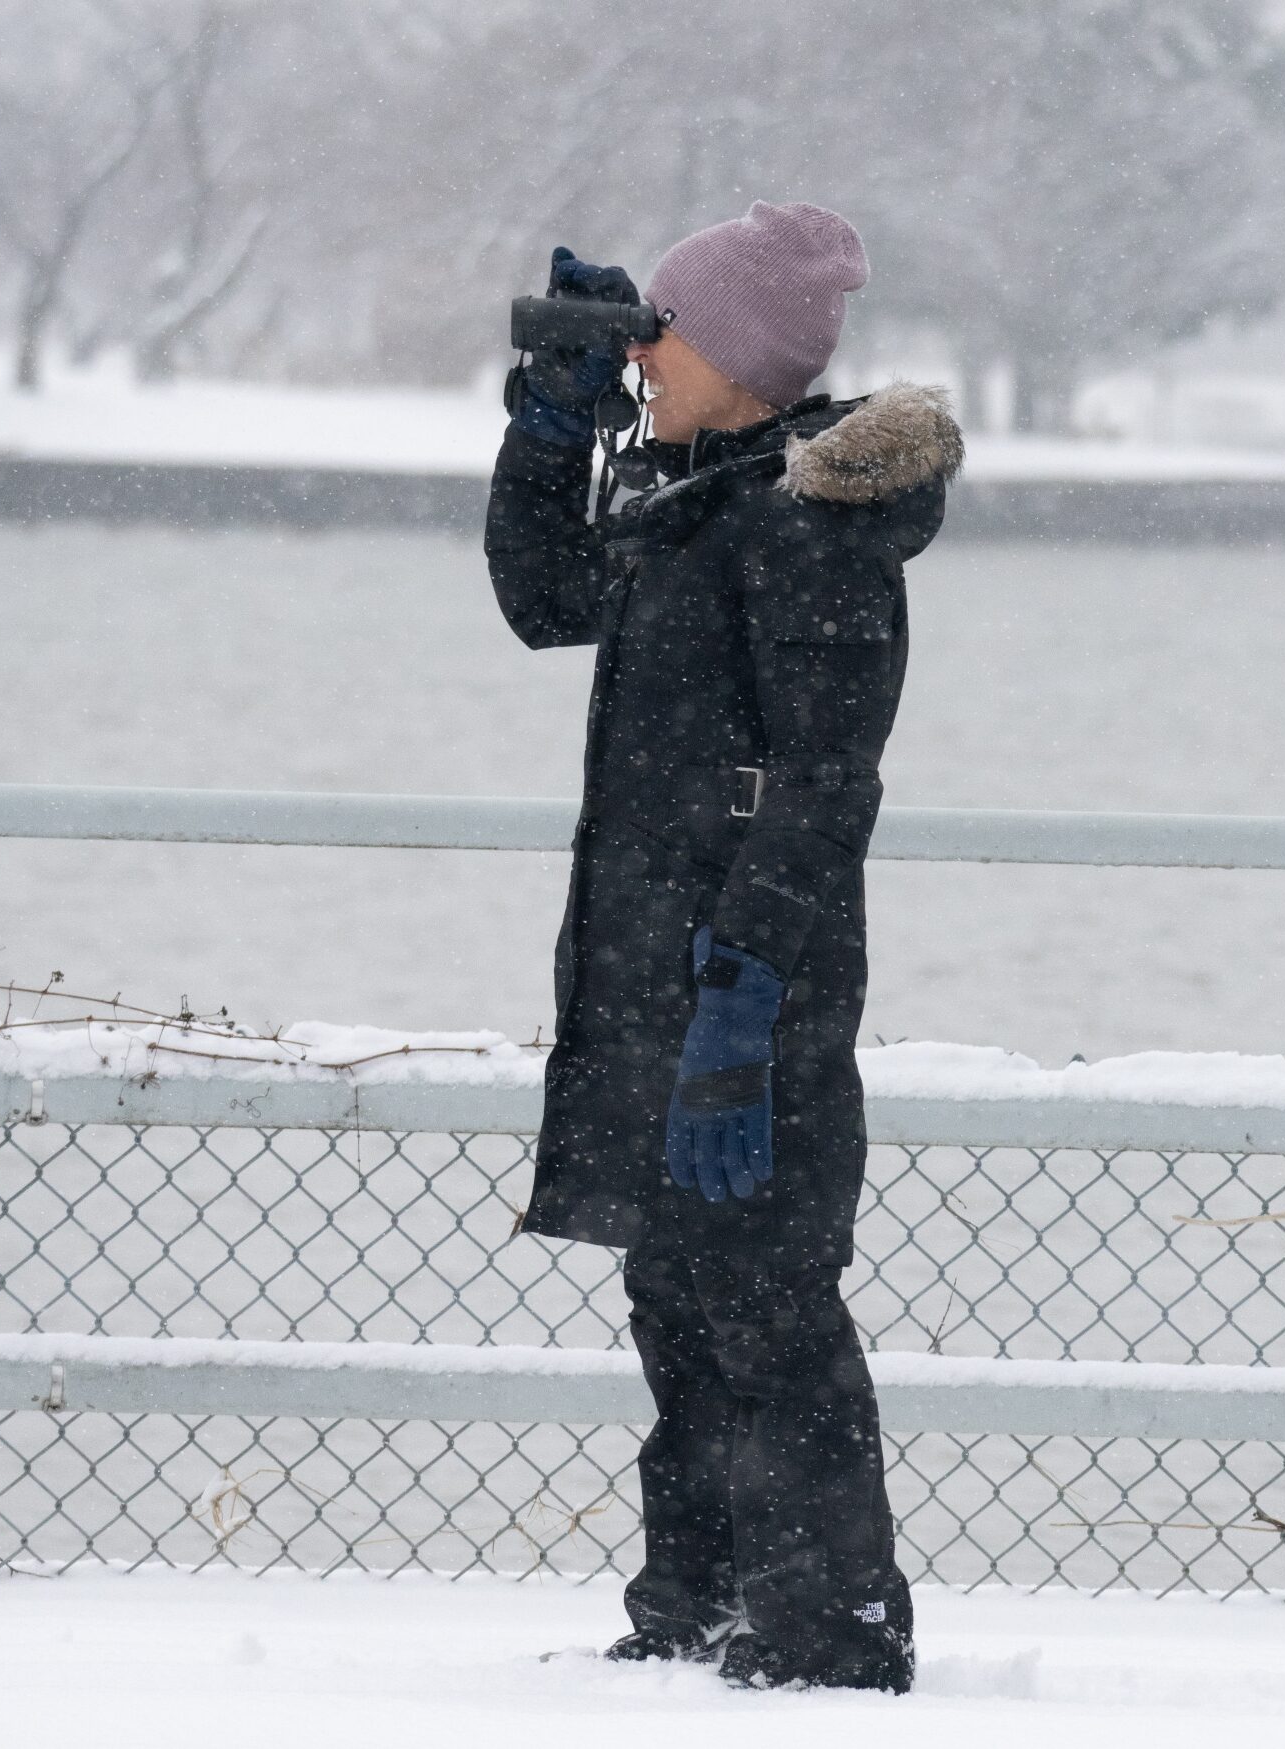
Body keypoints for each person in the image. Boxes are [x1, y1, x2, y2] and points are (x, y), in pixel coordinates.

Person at [484, 200, 961, 1693]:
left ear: (747, 358)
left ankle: (831, 1629)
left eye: (661, 333)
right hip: (655, 973)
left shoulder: (804, 528)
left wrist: (743, 997)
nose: (643, 356)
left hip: (746, 989)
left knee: (763, 1307)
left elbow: (824, 785)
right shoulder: (697, 500)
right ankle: (692, 1607)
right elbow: (543, 598)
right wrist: (553, 434)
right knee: (681, 1298)